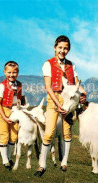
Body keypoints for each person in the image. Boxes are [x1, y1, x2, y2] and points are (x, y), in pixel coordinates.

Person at [34, 35, 87, 177]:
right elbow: (48, 87)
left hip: (68, 100)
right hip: (54, 100)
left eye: (66, 48)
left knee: (67, 132)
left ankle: (64, 162)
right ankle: (42, 165)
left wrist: (83, 92)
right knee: (49, 132)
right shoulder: (48, 64)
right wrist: (58, 104)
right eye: (60, 48)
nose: (63, 51)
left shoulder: (71, 65)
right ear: (55, 47)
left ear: (68, 50)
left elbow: (76, 83)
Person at [0, 61, 24, 171]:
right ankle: (5, 160)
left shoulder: (19, 85)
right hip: (3, 110)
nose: (11, 75)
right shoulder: (1, 86)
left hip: (15, 111)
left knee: (14, 136)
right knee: (4, 135)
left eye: (14, 72)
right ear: (4, 72)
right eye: (9, 72)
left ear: (17, 72)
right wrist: (4, 117)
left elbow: (19, 100)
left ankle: (8, 157)